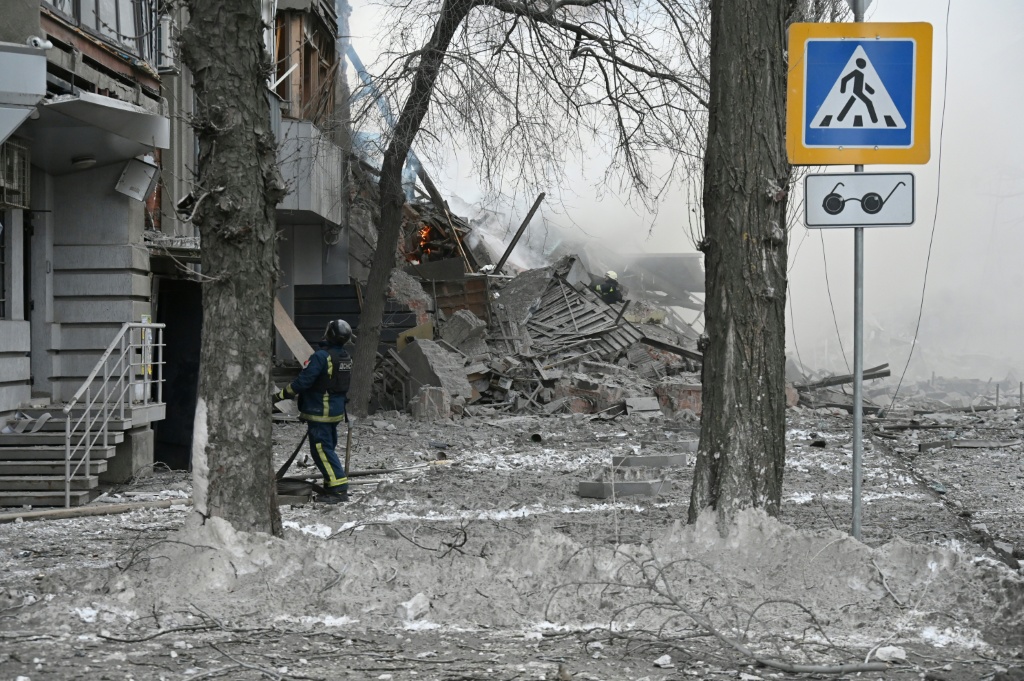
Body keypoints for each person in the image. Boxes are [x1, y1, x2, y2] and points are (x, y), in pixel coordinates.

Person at [275, 319, 353, 504]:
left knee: (321, 450)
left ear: (329, 334)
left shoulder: (321, 357)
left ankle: (338, 491)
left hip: (320, 411)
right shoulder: (344, 356)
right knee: (327, 449)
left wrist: (279, 396)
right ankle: (332, 486)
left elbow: (303, 382)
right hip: (334, 411)